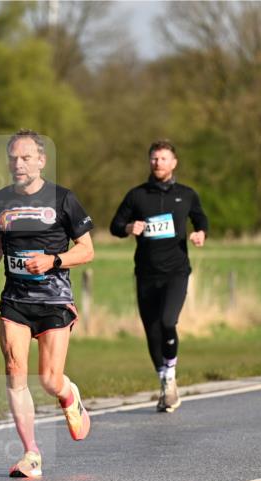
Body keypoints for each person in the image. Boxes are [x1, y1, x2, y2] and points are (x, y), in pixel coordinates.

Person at [0, 129, 94, 478]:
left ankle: (69, 396)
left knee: (50, 381)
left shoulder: (63, 199)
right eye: (13, 158)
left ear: (41, 160)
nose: (18, 163)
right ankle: (31, 454)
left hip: (54, 300)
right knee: (14, 370)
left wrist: (53, 260)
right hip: (15, 300)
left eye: (25, 157)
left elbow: (87, 250)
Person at [109, 140, 209, 412]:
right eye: (154, 158)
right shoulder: (137, 195)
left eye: (164, 158)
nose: (158, 163)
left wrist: (200, 233)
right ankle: (166, 384)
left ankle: (170, 378)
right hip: (146, 273)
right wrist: (129, 226)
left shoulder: (186, 194)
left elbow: (201, 219)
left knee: (168, 321)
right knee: (152, 331)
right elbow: (114, 226)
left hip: (176, 271)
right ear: (149, 162)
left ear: (174, 162)